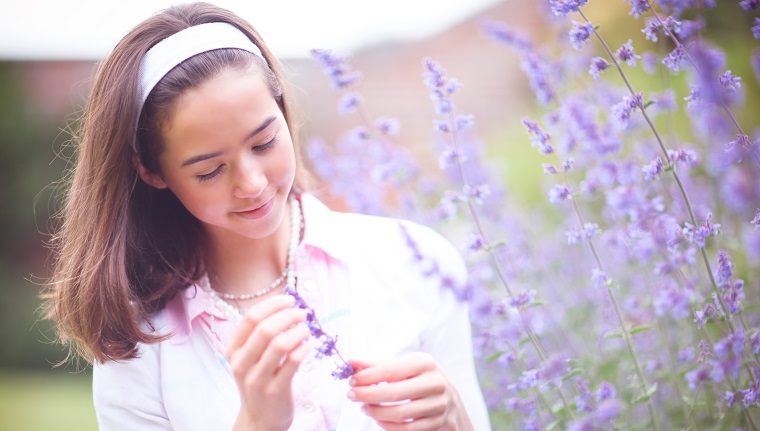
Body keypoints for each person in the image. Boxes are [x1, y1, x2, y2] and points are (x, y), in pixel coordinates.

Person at [44, 2, 491, 430]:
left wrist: (453, 418)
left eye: (264, 143)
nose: (253, 183)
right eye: (210, 170)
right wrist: (256, 423)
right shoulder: (141, 343)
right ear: (153, 172)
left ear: (283, 110)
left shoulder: (417, 262)